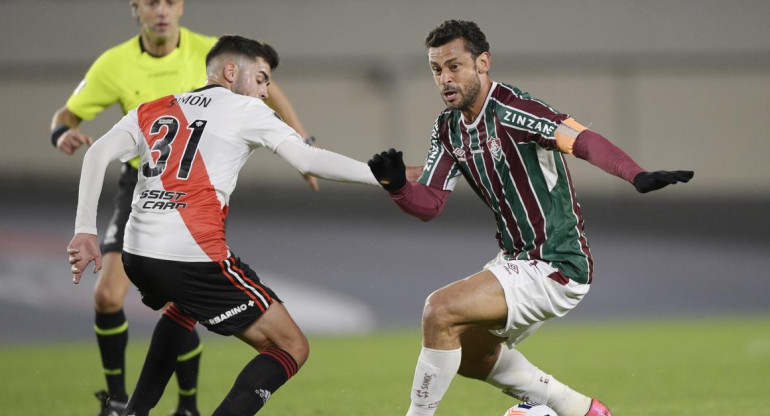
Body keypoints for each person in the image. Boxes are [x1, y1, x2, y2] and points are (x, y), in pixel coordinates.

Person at [367, 20, 693, 416]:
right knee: (468, 353)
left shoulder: (514, 110)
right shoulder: (448, 129)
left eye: (454, 66)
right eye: (437, 69)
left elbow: (582, 139)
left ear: (483, 62)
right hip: (516, 261)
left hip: (556, 261)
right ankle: (580, 410)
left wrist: (635, 173)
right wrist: (397, 185)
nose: (445, 78)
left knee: (439, 309)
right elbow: (430, 204)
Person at [67, 34, 381, 416]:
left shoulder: (154, 107)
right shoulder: (244, 109)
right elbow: (308, 160)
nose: (266, 92)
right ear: (231, 71)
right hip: (189, 255)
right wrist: (383, 176)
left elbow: (97, 152)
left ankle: (134, 412)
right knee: (290, 347)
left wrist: (85, 229)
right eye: (262, 78)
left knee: (182, 308)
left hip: (136, 255)